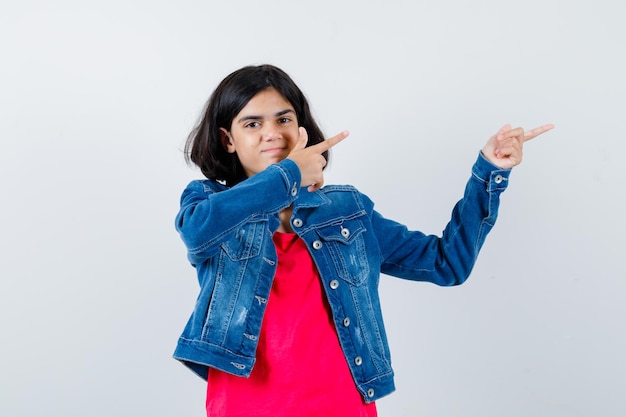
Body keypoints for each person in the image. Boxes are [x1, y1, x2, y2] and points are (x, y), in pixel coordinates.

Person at [173, 64, 554, 416]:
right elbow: (196, 231)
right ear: (228, 140)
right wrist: (290, 174)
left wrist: (490, 173)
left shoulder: (347, 209)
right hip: (247, 405)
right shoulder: (207, 203)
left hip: (341, 402)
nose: (273, 133)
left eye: (283, 118)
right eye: (252, 124)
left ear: (301, 127)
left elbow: (446, 263)